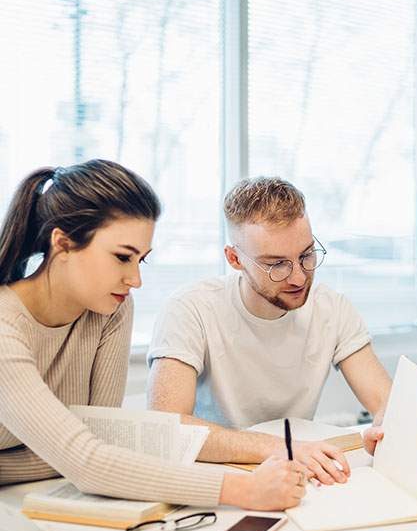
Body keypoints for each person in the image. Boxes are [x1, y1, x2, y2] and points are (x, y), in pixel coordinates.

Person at [0, 160, 308, 510]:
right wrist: (245, 490)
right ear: (64, 244)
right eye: (121, 257)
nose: (135, 280)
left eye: (141, 261)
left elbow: (101, 440)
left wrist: (68, 454)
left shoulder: (111, 308)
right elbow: (86, 460)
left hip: (34, 495)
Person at [146, 176, 392, 485]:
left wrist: (383, 427)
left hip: (299, 473)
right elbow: (167, 427)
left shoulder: (333, 307)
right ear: (235, 259)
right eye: (276, 264)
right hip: (217, 482)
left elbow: (388, 402)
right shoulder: (190, 308)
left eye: (306, 255)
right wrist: (279, 448)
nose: (299, 278)